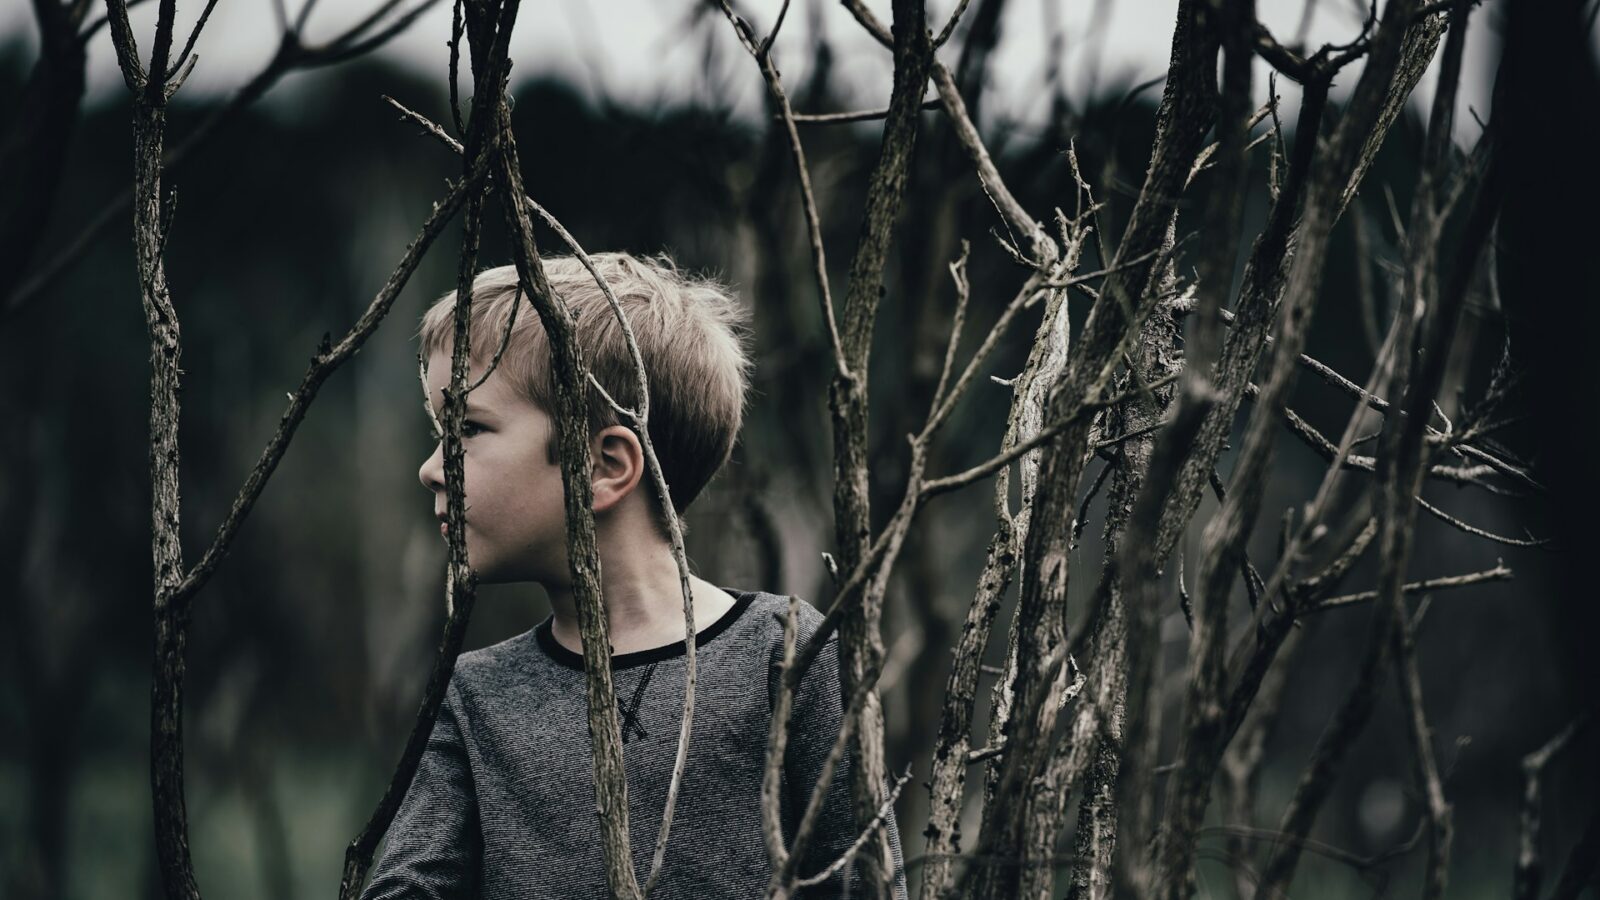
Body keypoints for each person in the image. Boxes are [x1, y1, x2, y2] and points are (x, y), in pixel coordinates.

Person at [361, 253, 907, 899]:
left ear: (604, 465)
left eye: (468, 428)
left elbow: (867, 884)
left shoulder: (788, 657)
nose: (430, 468)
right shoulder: (476, 698)